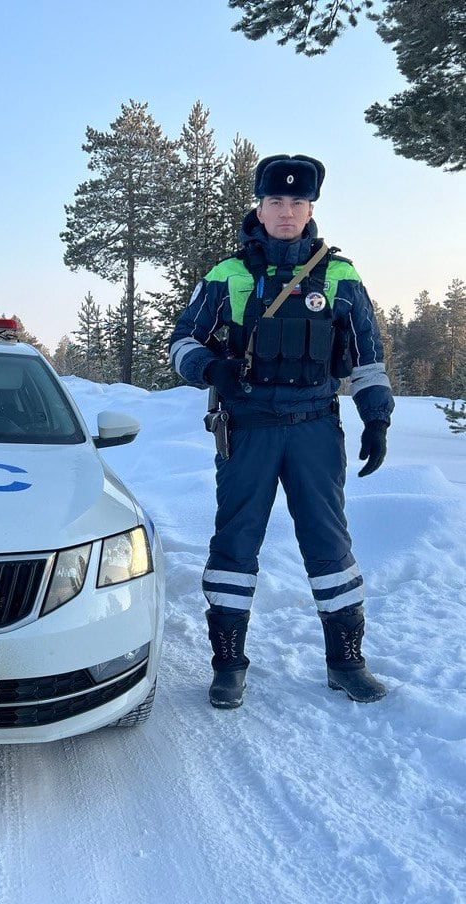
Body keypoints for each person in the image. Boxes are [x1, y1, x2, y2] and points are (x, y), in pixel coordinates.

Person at [168, 153, 393, 709]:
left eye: (297, 201)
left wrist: (377, 416)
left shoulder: (340, 275)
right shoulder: (227, 274)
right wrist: (209, 368)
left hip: (316, 429)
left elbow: (366, 357)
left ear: (310, 206)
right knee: (235, 543)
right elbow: (181, 344)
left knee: (328, 542)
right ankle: (228, 665)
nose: (286, 211)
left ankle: (346, 661)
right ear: (259, 206)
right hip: (247, 431)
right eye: (276, 201)